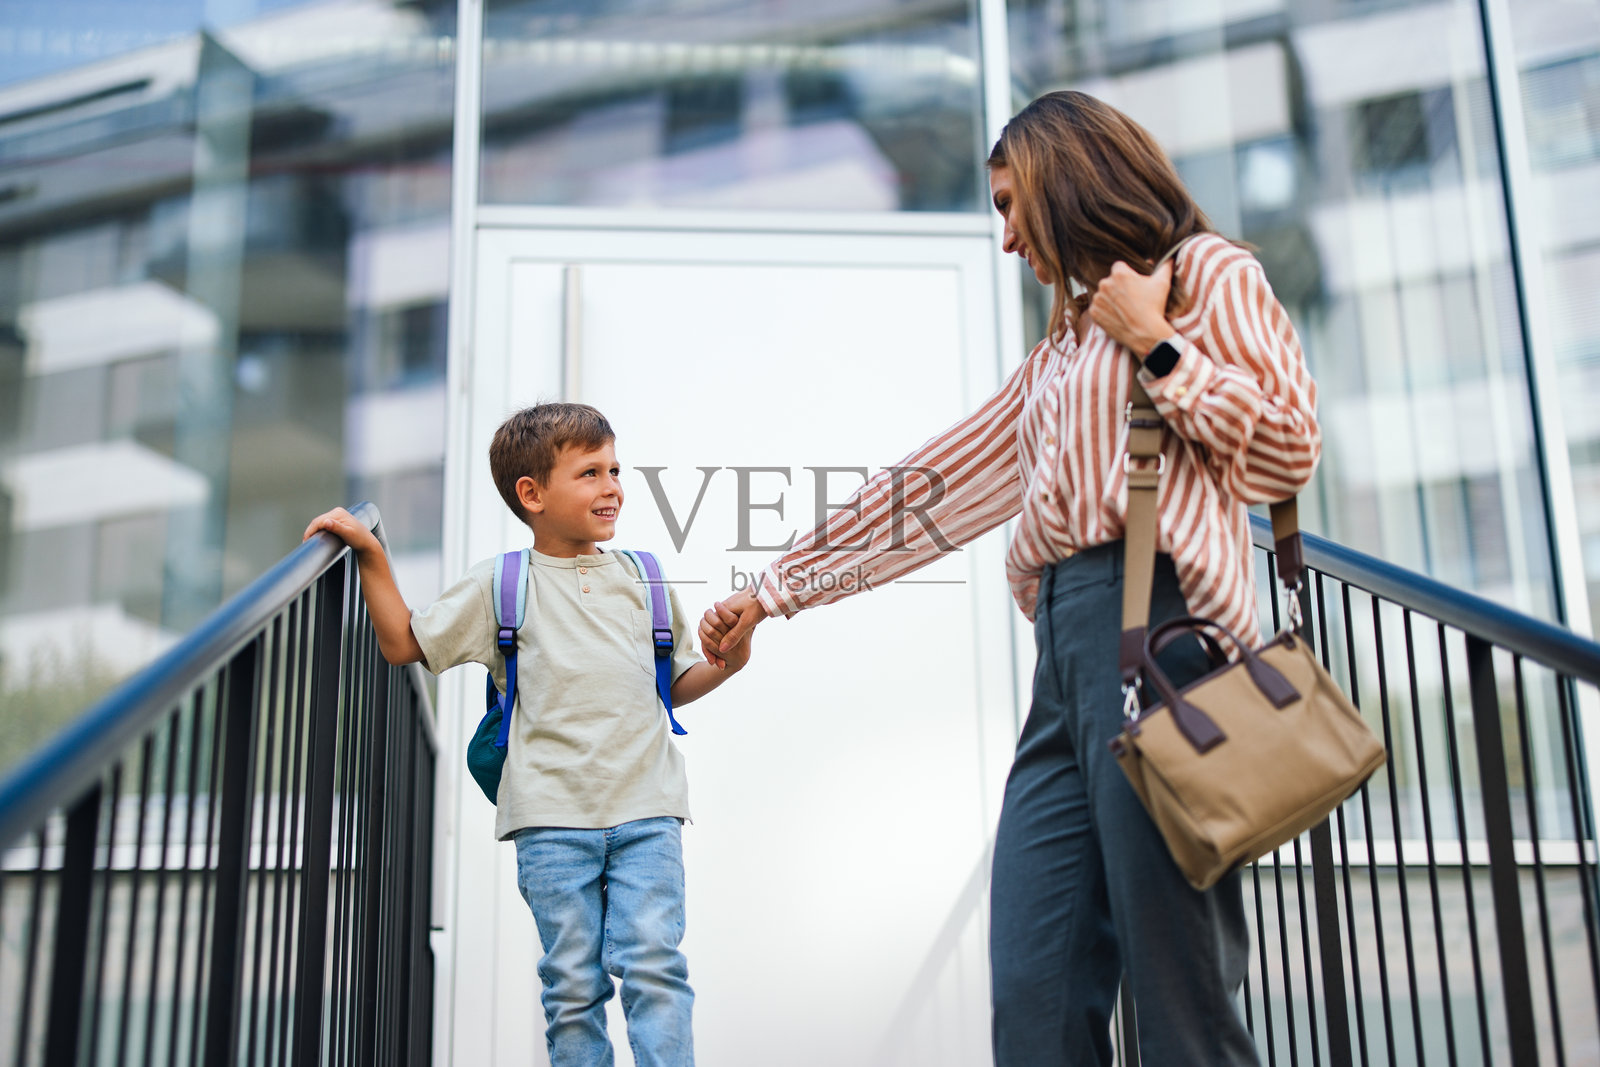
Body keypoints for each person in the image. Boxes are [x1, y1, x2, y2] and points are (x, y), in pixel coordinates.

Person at [699, 91, 1319, 1065]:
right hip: (1064, 668)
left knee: (1177, 995)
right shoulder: (1061, 351)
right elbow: (935, 484)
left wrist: (1156, 343)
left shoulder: (1206, 277)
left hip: (1163, 635)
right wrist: (777, 588)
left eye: (1006, 204)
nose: (1003, 237)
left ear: (1066, 181)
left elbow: (1286, 451)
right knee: (1032, 994)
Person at [305, 402, 751, 1067]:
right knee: (573, 986)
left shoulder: (645, 576)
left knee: (656, 967)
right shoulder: (500, 583)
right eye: (591, 472)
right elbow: (404, 642)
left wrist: (730, 658)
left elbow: (677, 680)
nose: (613, 486)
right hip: (550, 823)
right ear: (532, 494)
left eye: (615, 469)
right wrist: (372, 554)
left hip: (649, 812)